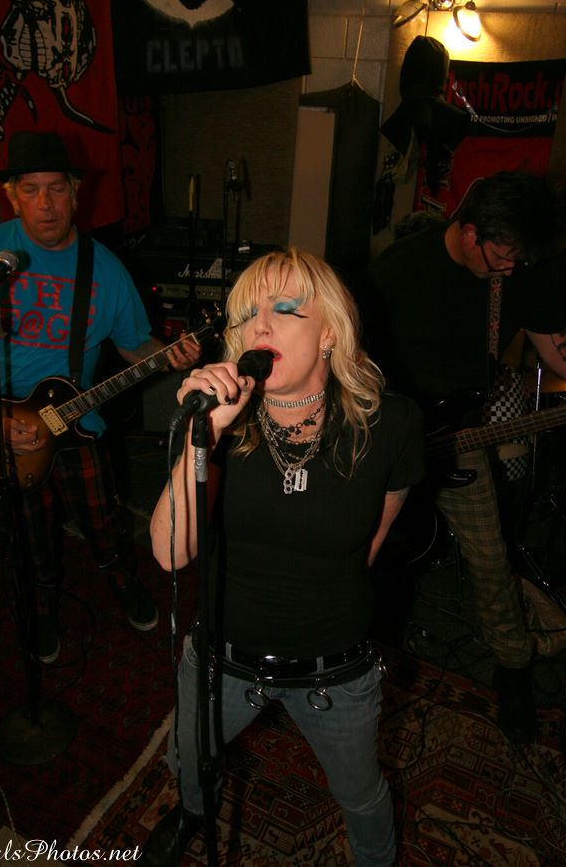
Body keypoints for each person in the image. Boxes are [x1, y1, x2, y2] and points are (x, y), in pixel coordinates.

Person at [144, 248, 424, 866]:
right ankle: (193, 813)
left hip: (334, 672)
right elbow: (169, 554)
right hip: (219, 658)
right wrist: (204, 436)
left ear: (330, 334)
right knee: (186, 761)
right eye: (247, 314)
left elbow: (370, 544)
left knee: (360, 795)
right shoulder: (216, 424)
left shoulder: (392, 425)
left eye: (287, 309)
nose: (260, 326)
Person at [0, 130, 200, 663]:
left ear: (76, 193)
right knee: (27, 535)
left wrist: (170, 354)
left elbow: (134, 343)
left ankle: (122, 580)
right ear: (12, 196)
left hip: (78, 420)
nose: (45, 204)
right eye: (31, 190)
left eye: (56, 189)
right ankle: (41, 604)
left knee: (104, 520)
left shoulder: (105, 268)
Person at [363, 170, 566, 745]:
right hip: (391, 439)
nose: (511, 268)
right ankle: (360, 654)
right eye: (502, 256)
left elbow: (556, 352)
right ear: (470, 231)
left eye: (519, 259)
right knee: (373, 554)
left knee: (490, 558)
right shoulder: (397, 269)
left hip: (461, 438)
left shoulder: (519, 272)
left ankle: (514, 669)